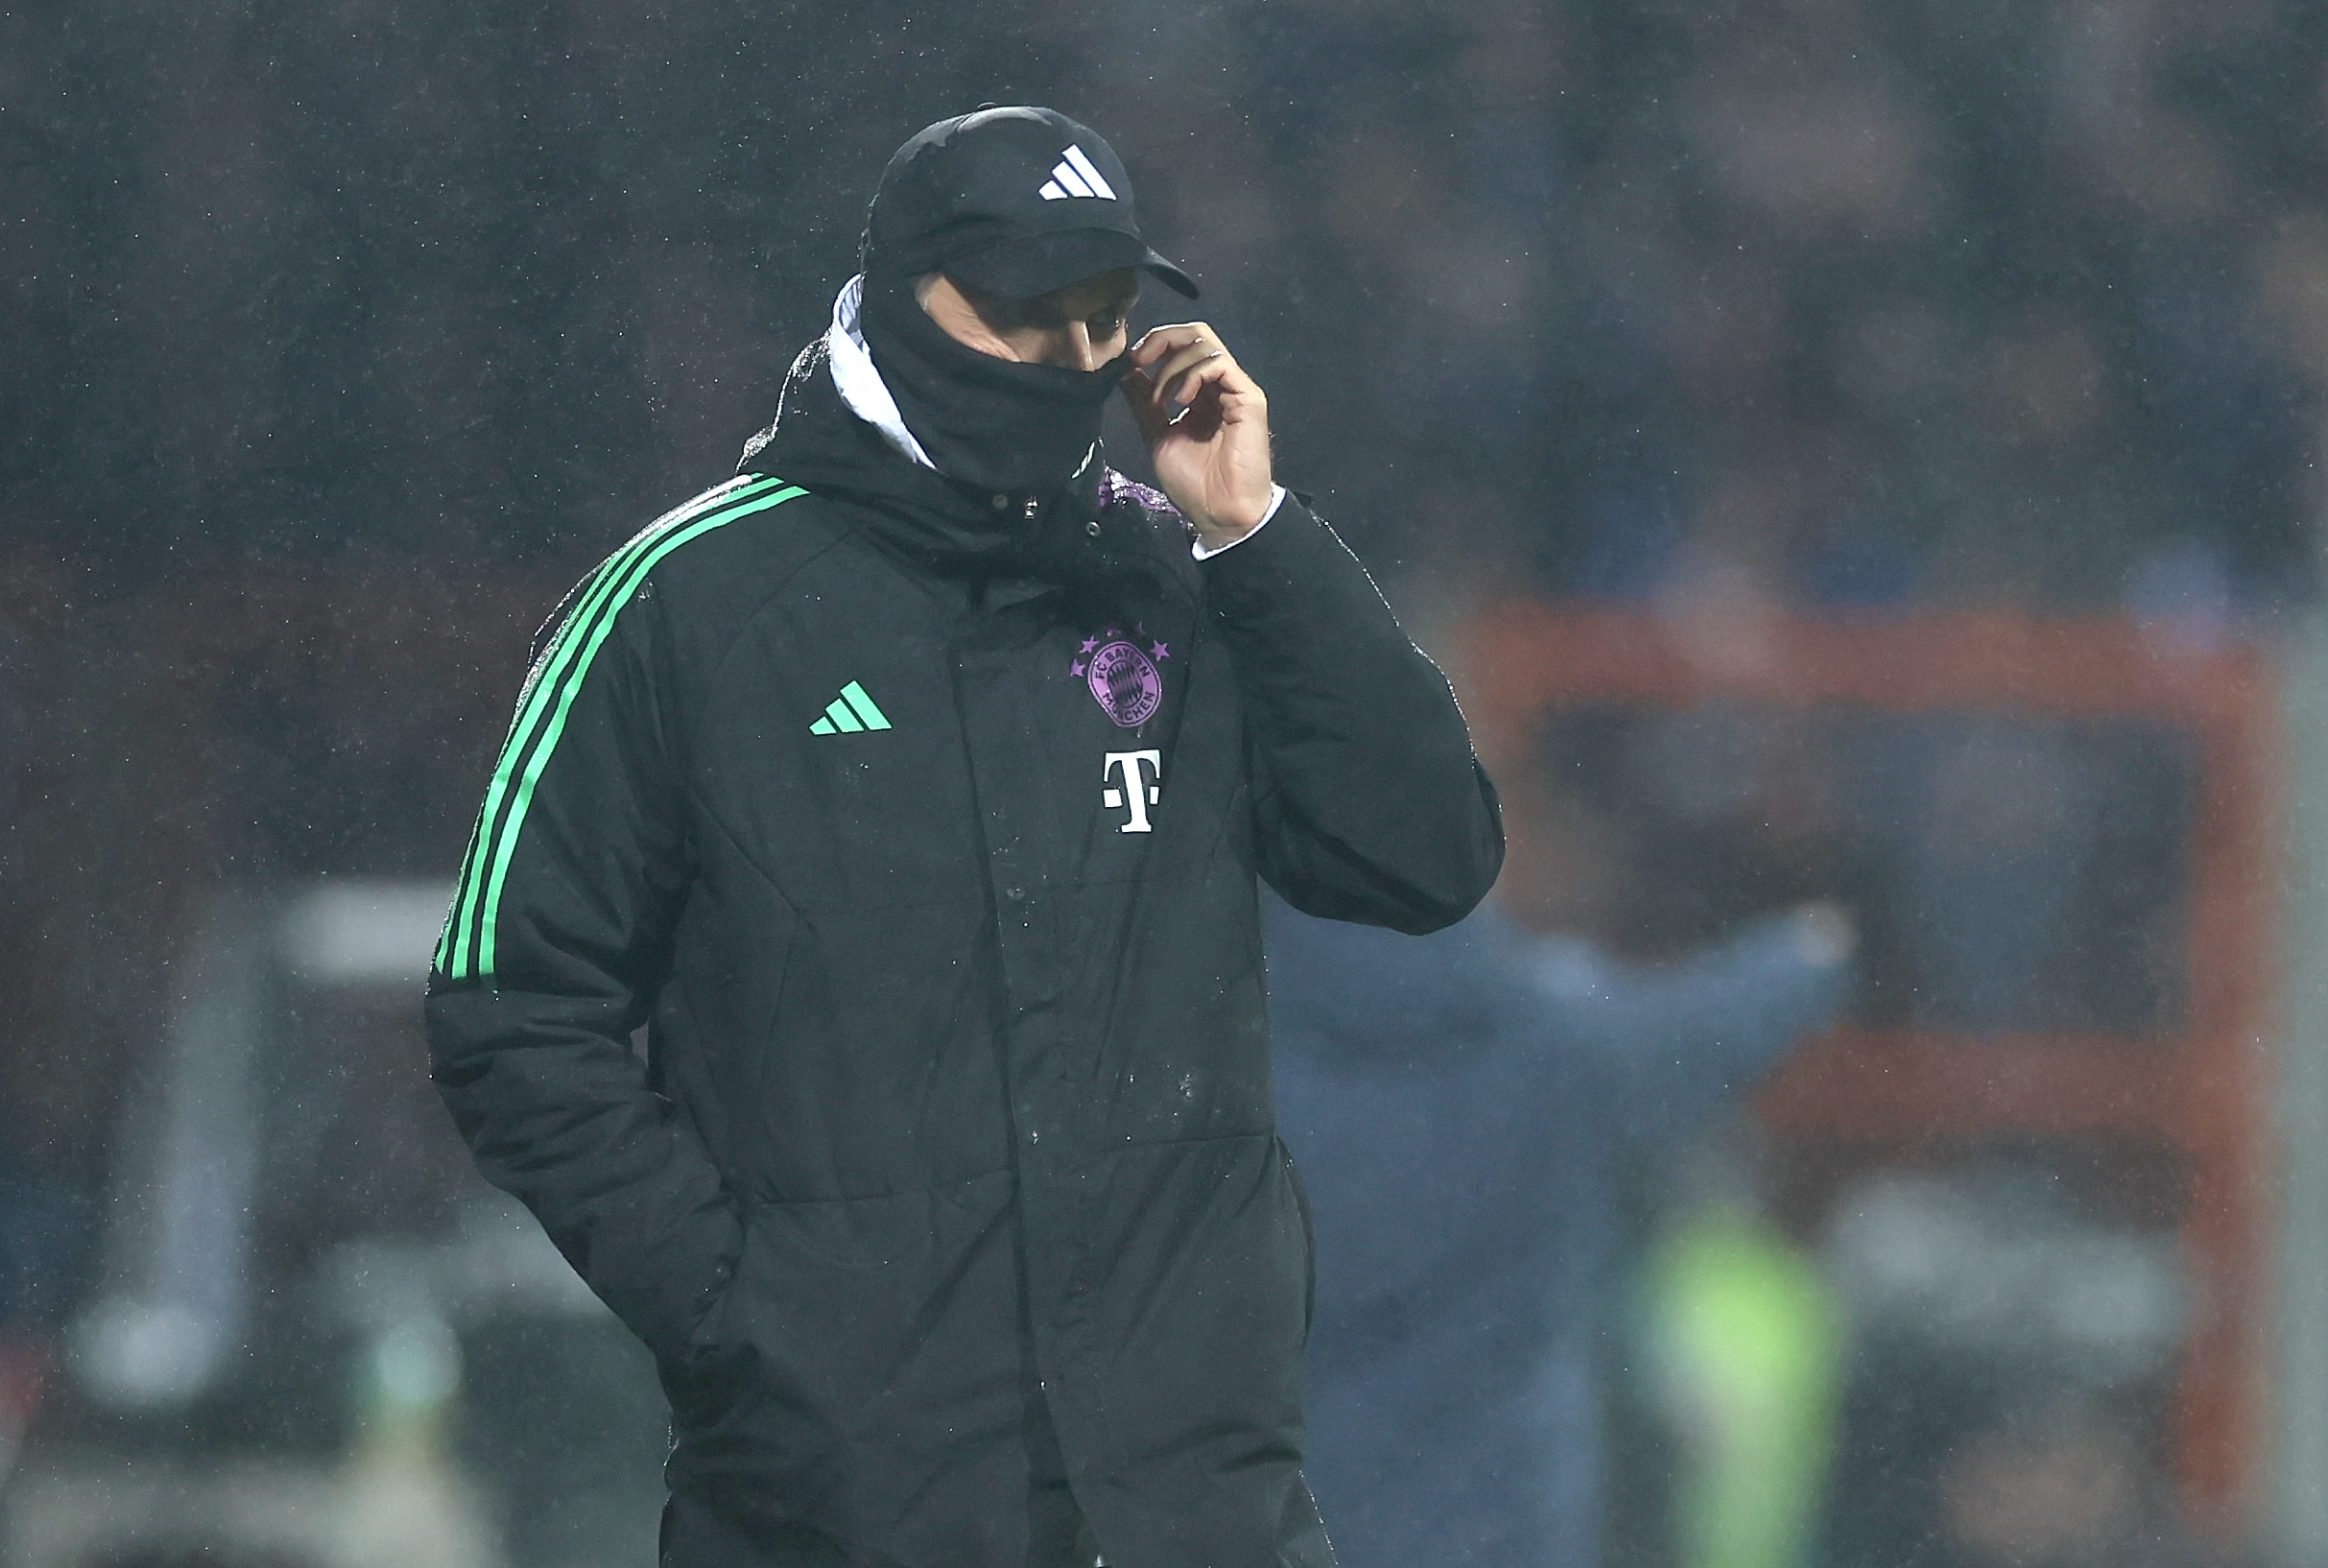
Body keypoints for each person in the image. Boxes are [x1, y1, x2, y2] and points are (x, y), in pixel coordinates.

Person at [426, 106, 1503, 1568]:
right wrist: (746, 1315)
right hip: (838, 1517)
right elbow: (507, 1006)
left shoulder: (1182, 577)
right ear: (899, 293)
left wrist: (1258, 534)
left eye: (1100, 315)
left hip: (1200, 1505)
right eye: (1022, 312)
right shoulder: (686, 606)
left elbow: (1427, 857)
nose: (1071, 357)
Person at [1263, 896, 1853, 1568]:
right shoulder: (1551, 1040)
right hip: (1492, 1537)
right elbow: (1702, 1031)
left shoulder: (1219, 1073)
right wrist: (1809, 953)